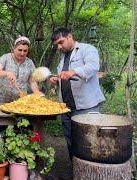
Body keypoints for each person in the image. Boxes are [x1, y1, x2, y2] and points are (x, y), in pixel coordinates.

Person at [49, 27, 105, 160]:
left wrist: (73, 71)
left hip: (86, 106)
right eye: (56, 44)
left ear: (70, 37)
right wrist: (57, 80)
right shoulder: (63, 57)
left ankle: (88, 173)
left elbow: (92, 67)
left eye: (61, 42)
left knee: (88, 142)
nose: (59, 47)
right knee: (70, 140)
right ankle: (75, 170)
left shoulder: (87, 49)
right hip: (66, 107)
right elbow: (66, 78)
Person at [0, 36, 41, 103]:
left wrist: (36, 92)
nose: (22, 53)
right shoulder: (5, 58)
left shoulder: (29, 62)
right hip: (3, 100)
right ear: (14, 48)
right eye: (20, 50)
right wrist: (7, 73)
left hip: (21, 100)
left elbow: (32, 81)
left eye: (25, 51)